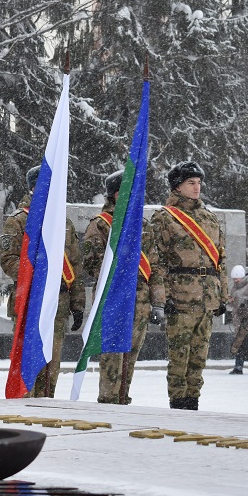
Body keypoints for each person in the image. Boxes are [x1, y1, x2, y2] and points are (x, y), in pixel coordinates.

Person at [0, 165, 85, 398]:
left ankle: (46, 406)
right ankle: (25, 408)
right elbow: (8, 260)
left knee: (51, 365)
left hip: (58, 303)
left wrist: (78, 304)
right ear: (33, 187)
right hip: (31, 300)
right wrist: (38, 277)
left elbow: (75, 265)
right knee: (28, 363)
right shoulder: (19, 220)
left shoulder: (63, 223)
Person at [149, 161, 228, 410]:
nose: (197, 187)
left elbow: (220, 260)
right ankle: (178, 403)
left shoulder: (210, 218)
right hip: (180, 298)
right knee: (179, 357)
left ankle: (193, 402)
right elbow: (157, 262)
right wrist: (162, 299)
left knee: (199, 358)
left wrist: (222, 295)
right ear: (177, 187)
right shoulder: (164, 218)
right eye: (190, 183)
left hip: (207, 298)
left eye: (199, 183)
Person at [81, 169, 164, 404]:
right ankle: (109, 401)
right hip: (113, 297)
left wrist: (158, 302)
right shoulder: (101, 224)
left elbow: (155, 267)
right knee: (112, 355)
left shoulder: (143, 226)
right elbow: (90, 263)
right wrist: (120, 272)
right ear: (116, 194)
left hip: (140, 301)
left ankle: (123, 398)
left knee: (131, 355)